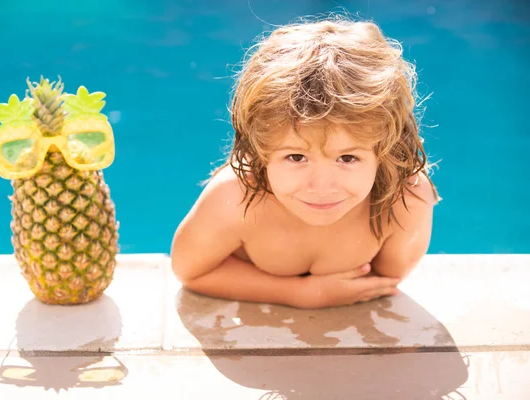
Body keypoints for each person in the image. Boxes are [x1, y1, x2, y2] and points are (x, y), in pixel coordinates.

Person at [170, 15, 440, 309]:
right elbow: (191, 271)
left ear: (385, 150)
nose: (321, 186)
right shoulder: (234, 197)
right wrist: (297, 294)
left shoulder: (405, 201)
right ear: (261, 150)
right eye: (296, 156)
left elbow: (386, 281)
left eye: (348, 157)